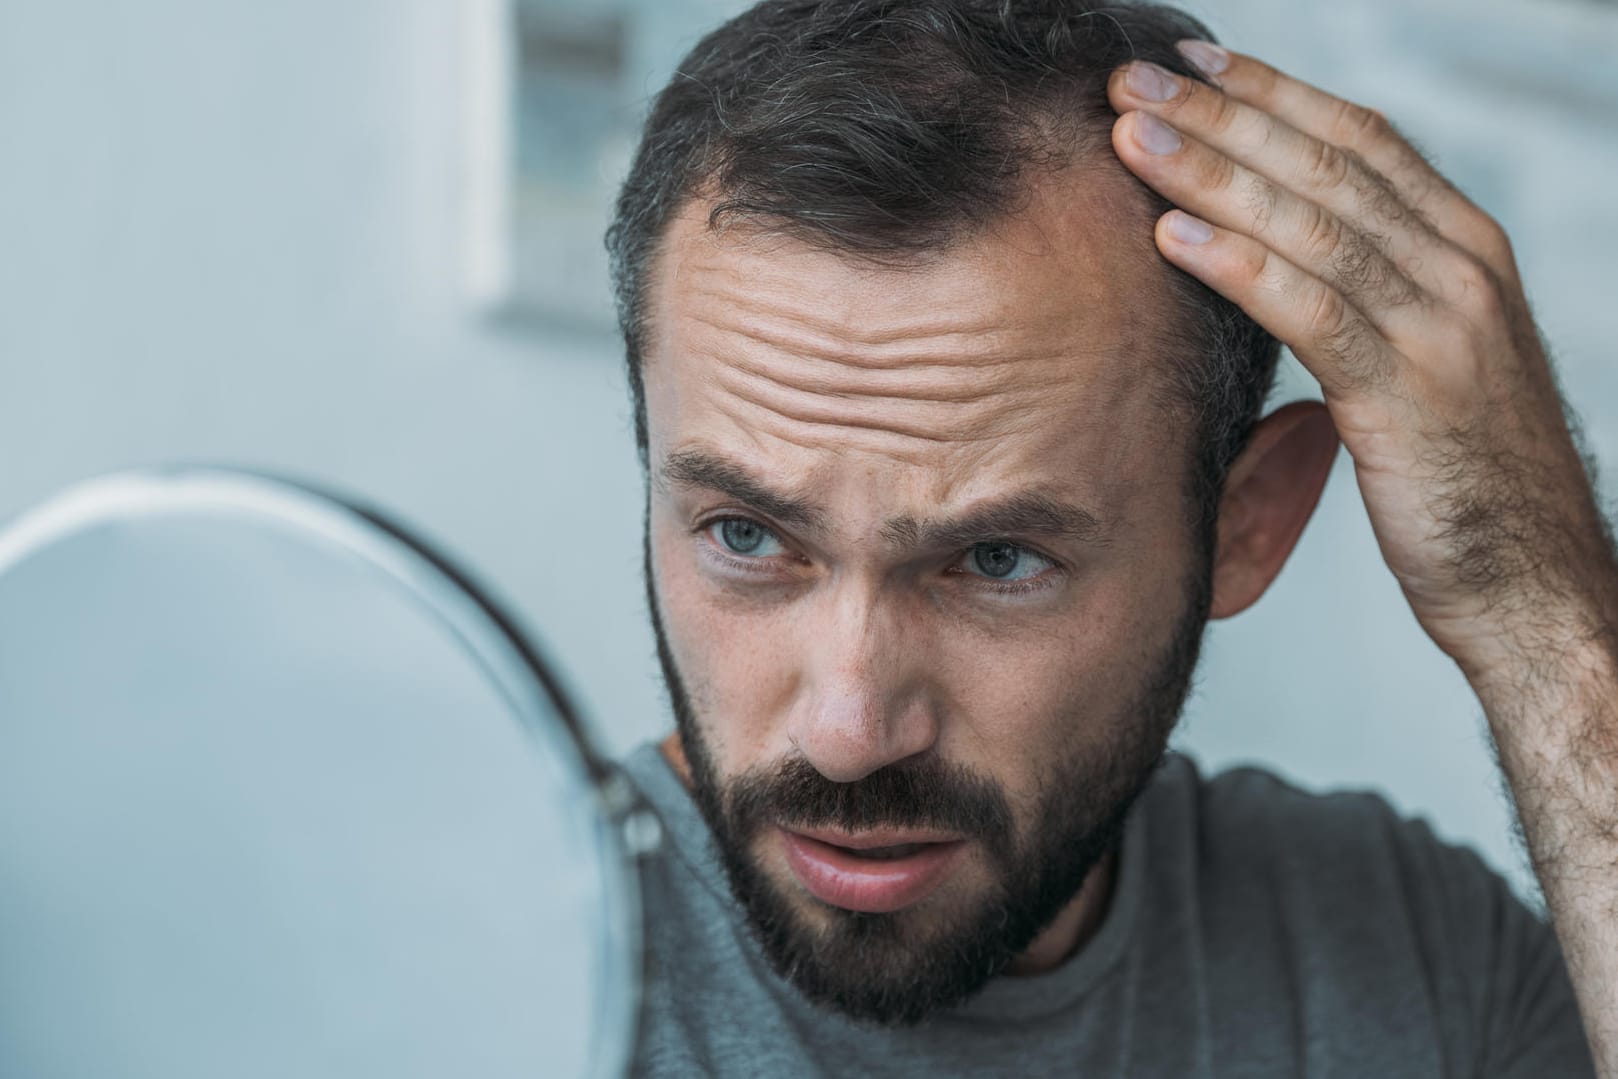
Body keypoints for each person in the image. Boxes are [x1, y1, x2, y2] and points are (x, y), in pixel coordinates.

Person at [602, 1, 1618, 1074]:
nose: (849, 729)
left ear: (1245, 524)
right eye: (746, 536)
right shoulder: (478, 969)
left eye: (997, 559)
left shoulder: (1415, 958)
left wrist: (1543, 614)